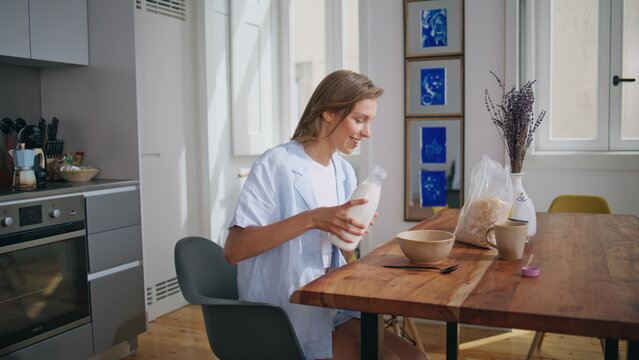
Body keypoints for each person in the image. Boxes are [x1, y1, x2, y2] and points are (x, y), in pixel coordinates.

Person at [225, 70, 427, 360]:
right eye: (360, 119)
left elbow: (338, 256)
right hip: (284, 314)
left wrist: (348, 237)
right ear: (329, 112)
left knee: (415, 358)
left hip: (329, 309)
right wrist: (312, 218)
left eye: (369, 122)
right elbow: (234, 250)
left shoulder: (343, 171)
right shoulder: (277, 162)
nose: (367, 132)